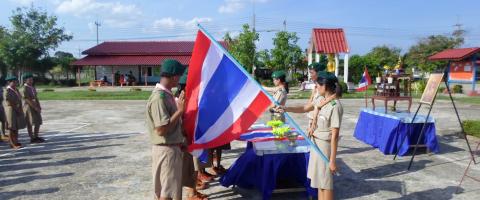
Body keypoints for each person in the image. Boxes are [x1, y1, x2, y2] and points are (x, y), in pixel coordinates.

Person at [278, 72, 343, 200]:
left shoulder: (335, 106)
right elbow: (304, 108)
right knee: (319, 181)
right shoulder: (320, 100)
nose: (316, 87)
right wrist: (286, 109)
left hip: (325, 147)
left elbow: (335, 135)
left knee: (326, 182)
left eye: (318, 84)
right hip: (315, 144)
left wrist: (332, 161)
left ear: (326, 86)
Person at [146, 59, 186, 200]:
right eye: (179, 76)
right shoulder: (159, 98)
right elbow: (161, 130)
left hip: (171, 148)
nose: (179, 79)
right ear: (174, 76)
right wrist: (179, 111)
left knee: (168, 190)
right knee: (167, 193)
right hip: (166, 150)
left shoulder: (167, 95)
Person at [176, 68, 208, 200]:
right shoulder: (181, 100)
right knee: (191, 167)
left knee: (193, 166)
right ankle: (191, 192)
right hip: (186, 138)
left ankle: (193, 190)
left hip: (192, 137)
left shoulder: (188, 97)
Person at [4, 75, 27, 149]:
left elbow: (20, 99)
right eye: (13, 82)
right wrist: (17, 109)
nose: (15, 83)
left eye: (16, 81)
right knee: (11, 127)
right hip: (11, 110)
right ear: (9, 82)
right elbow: (9, 102)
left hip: (17, 109)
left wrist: (20, 108)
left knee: (16, 127)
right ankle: (11, 143)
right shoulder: (7, 90)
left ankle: (16, 141)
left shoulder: (16, 89)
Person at [22, 73, 45, 143]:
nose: (31, 81)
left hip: (35, 106)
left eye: (32, 79)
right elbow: (27, 99)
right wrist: (35, 107)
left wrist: (39, 105)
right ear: (25, 81)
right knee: (30, 123)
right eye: (29, 80)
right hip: (29, 107)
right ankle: (32, 138)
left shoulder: (32, 87)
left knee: (38, 121)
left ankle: (36, 136)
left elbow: (36, 97)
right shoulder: (25, 88)